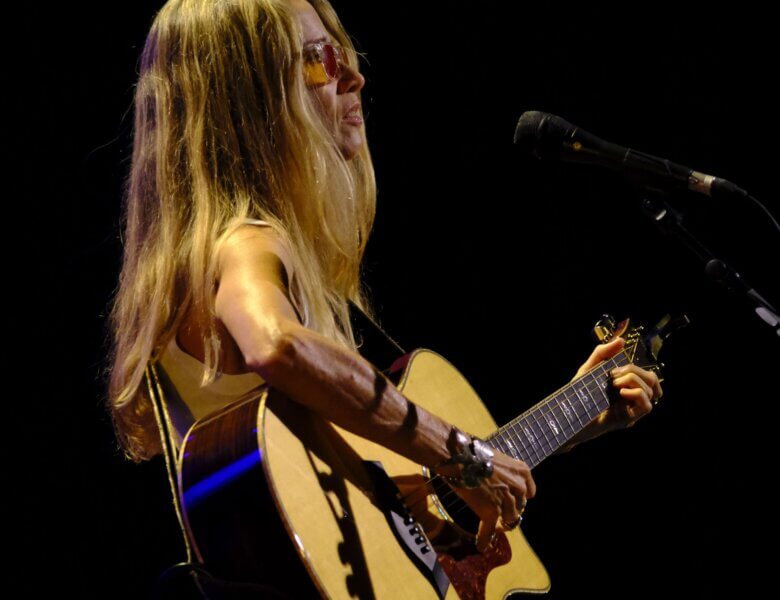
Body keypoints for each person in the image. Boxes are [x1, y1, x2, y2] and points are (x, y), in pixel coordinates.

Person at [106, 0, 662, 589]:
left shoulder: (234, 255)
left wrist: (571, 419)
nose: (354, 76)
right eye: (319, 61)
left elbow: (412, 494)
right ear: (245, 97)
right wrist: (464, 457)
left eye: (346, 55)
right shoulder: (246, 244)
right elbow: (276, 345)